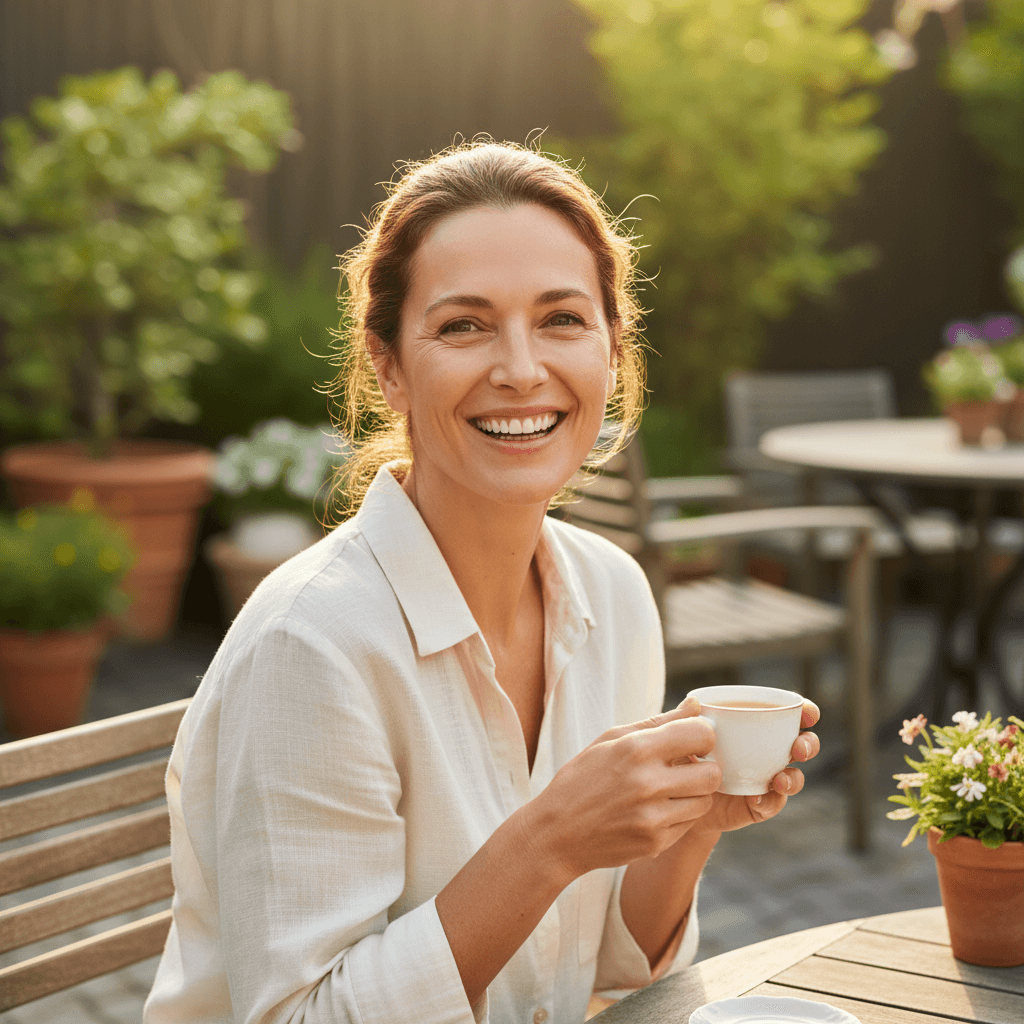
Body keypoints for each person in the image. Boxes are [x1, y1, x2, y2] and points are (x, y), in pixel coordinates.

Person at [144, 141, 819, 1024]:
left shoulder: (612, 594)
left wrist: (685, 828)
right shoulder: (310, 645)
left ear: (613, 349)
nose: (521, 369)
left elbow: (600, 968)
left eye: (562, 320)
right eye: (464, 325)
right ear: (388, 367)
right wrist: (549, 841)